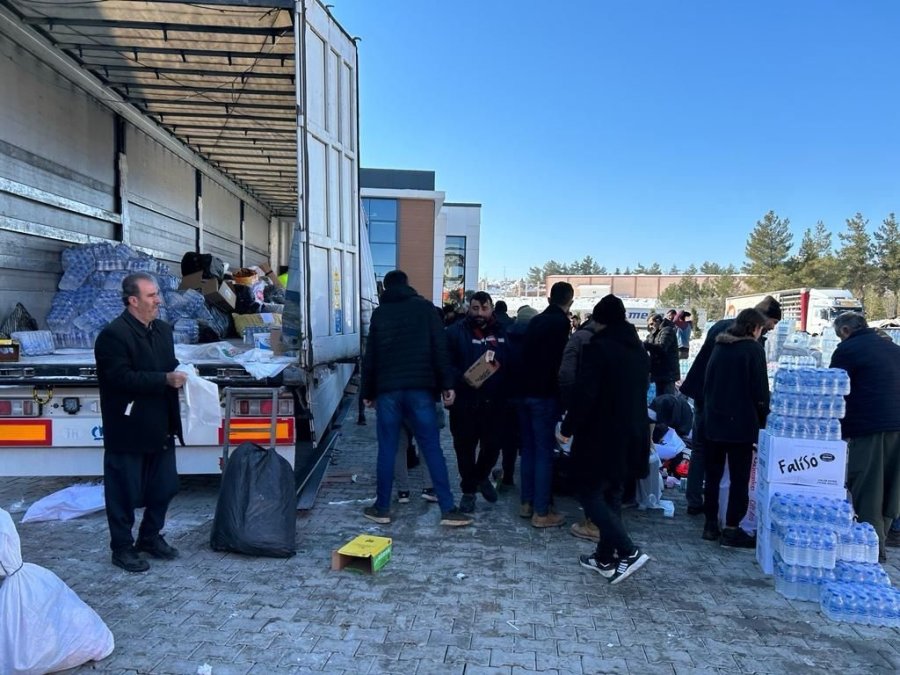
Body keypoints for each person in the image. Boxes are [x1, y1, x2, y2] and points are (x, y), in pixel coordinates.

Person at [360, 269, 472, 527]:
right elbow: (439, 348)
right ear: (407, 284)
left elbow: (371, 356)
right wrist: (447, 384)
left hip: (388, 392)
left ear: (385, 288)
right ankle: (448, 509)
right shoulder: (426, 309)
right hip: (421, 390)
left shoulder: (380, 313)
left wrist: (367, 392)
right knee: (432, 447)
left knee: (388, 449)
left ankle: (382, 508)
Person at [94, 272, 186, 573]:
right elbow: (119, 378)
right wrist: (164, 379)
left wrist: (186, 375)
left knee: (165, 487)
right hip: (129, 426)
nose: (158, 300)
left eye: (157, 294)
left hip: (161, 423)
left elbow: (168, 366)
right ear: (133, 300)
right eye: (151, 295)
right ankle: (122, 548)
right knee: (123, 491)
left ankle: (150, 537)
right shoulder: (113, 335)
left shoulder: (162, 330)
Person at [559, 294, 652, 584]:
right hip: (632, 433)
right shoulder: (639, 351)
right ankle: (604, 556)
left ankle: (627, 550)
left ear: (598, 320)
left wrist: (568, 426)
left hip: (601, 434)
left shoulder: (598, 349)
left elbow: (586, 394)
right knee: (612, 492)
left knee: (589, 492)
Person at [679, 296, 781, 516]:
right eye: (772, 323)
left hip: (706, 395)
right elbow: (755, 382)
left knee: (701, 449)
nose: (771, 329)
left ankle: (697, 502)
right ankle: (723, 515)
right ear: (761, 321)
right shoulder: (748, 339)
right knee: (731, 466)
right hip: (725, 405)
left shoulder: (722, 326)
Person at [829, 312, 900, 561]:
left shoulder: (847, 350)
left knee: (869, 485)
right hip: (897, 425)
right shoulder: (893, 348)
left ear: (846, 330)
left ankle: (872, 548)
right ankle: (882, 538)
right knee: (892, 486)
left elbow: (834, 390)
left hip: (869, 427)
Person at [701, 308, 770, 548]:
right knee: (739, 479)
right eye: (761, 328)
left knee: (713, 476)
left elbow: (707, 382)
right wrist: (763, 417)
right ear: (754, 327)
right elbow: (760, 390)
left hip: (714, 421)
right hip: (740, 424)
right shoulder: (752, 349)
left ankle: (710, 524)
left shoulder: (720, 346)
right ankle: (732, 528)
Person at [445, 291, 509, 512]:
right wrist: (460, 379)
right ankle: (468, 491)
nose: (479, 313)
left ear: (491, 308)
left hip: (495, 403)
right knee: (464, 450)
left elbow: (511, 362)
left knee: (492, 447)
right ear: (468, 308)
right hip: (465, 402)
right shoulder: (455, 332)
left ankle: (481, 476)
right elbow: (446, 363)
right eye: (475, 308)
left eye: (484, 308)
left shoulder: (503, 332)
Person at [519, 281, 574, 527]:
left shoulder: (536, 321)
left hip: (524, 393)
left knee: (528, 450)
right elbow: (560, 364)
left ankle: (526, 503)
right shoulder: (561, 323)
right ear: (569, 301)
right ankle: (541, 513)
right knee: (543, 452)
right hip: (544, 395)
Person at [496, 305, 538, 490]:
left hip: (506, 395)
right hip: (529, 394)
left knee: (509, 440)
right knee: (529, 441)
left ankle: (508, 474)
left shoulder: (506, 337)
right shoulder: (536, 340)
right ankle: (529, 486)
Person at [644, 313, 680, 396]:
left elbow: (661, 347)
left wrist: (644, 345)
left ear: (658, 321)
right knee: (660, 399)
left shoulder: (667, 330)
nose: (650, 327)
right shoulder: (654, 333)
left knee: (667, 400)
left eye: (652, 324)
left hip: (668, 373)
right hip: (659, 372)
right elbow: (646, 343)